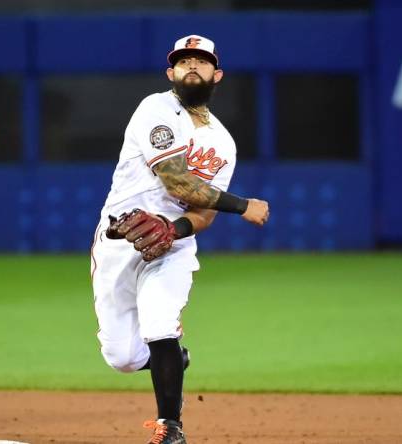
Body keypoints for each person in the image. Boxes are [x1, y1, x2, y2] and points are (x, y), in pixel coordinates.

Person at [90, 35, 270, 444]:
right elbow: (177, 179)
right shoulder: (155, 109)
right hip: (120, 238)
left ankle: (169, 427)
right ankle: (174, 360)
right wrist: (244, 206)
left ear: (216, 74)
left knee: (159, 327)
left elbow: (202, 213)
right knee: (121, 357)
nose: (192, 66)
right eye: (184, 60)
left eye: (201, 61)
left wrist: (175, 230)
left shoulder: (223, 143)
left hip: (172, 246)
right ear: (171, 72)